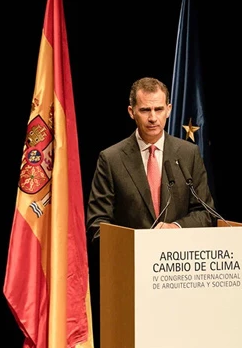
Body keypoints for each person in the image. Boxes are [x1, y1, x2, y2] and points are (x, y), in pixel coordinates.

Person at [86, 76, 215, 240]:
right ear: (131, 112)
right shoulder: (111, 159)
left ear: (169, 110)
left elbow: (206, 213)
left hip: (177, 259)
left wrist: (176, 227)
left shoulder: (189, 154)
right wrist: (138, 243)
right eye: (145, 110)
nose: (153, 118)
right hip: (129, 260)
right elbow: (97, 223)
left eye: (159, 109)